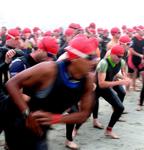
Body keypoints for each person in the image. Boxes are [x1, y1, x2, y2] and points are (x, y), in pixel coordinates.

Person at [4, 36, 98, 150]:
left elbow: (84, 114)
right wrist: (27, 114)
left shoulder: (88, 80)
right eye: (90, 57)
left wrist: (55, 118)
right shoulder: (49, 69)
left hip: (40, 127)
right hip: (18, 118)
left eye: (95, 57)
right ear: (75, 58)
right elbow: (11, 84)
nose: (95, 61)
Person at [92, 45, 131, 139]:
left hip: (106, 87)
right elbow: (101, 84)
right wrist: (120, 82)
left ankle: (108, 130)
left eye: (122, 56)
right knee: (84, 114)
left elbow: (116, 72)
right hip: (95, 88)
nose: (120, 58)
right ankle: (74, 132)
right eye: (118, 56)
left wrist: (125, 78)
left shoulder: (121, 61)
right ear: (112, 54)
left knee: (120, 107)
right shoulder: (104, 63)